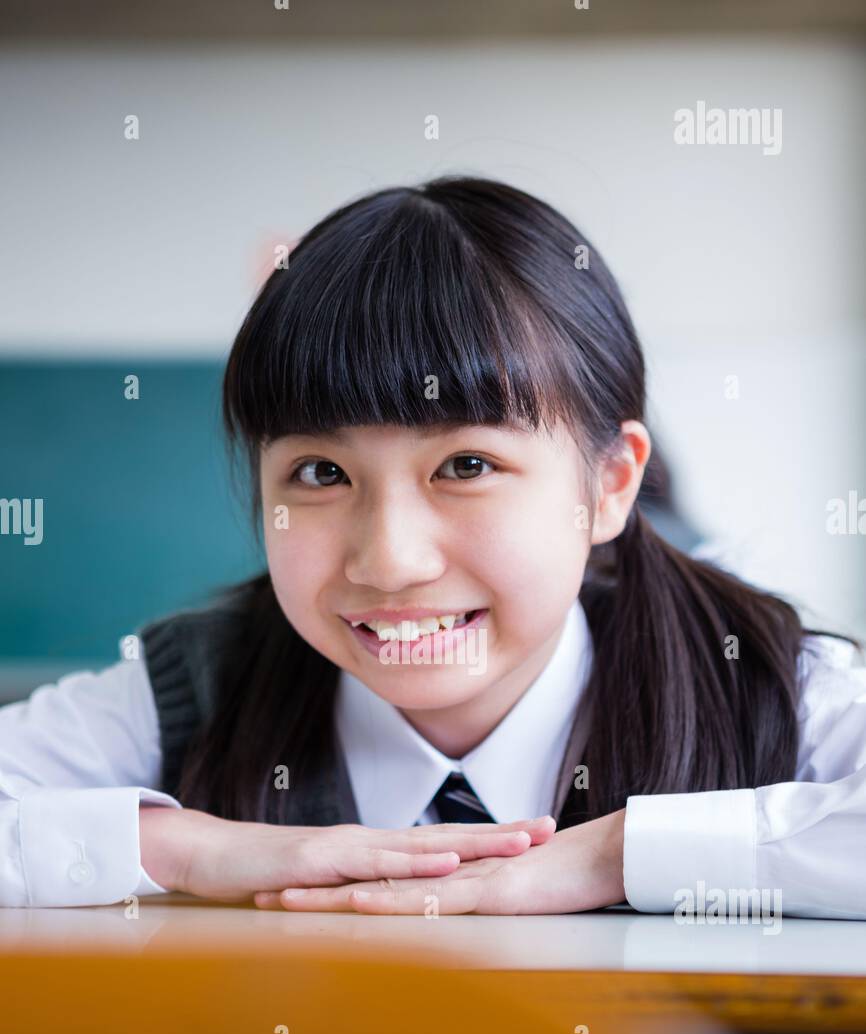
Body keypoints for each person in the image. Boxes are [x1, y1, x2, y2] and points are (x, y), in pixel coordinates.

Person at [2, 176, 864, 917]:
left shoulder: (758, 681)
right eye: (318, 473)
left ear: (609, 484)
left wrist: (615, 856)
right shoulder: (197, 682)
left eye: (467, 463)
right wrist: (183, 848)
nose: (389, 561)